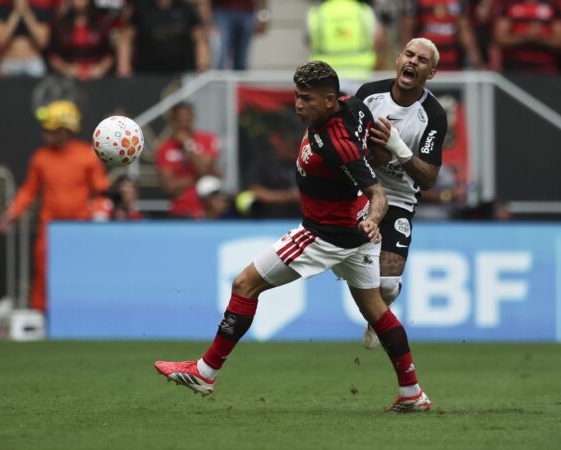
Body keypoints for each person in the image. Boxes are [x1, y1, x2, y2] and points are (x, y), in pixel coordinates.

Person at [154, 60, 432, 413]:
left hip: (323, 235)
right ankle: (412, 393)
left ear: (330, 100)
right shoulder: (354, 106)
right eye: (297, 96)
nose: (299, 105)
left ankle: (205, 372)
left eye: (307, 99)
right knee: (377, 312)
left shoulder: (337, 145)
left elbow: (379, 194)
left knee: (244, 285)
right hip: (354, 233)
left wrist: (375, 219)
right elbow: (373, 145)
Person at [353, 39, 447, 399]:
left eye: (422, 60)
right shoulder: (369, 95)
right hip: (361, 192)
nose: (413, 62)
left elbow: (428, 178)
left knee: (388, 286)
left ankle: (379, 315)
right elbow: (347, 138)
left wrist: (397, 146)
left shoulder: (433, 115)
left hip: (400, 201)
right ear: (398, 60)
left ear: (430, 72)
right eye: (409, 55)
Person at [0, 100, 109, 313]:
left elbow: (101, 190)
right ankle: (40, 315)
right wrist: (13, 212)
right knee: (44, 271)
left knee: (82, 271)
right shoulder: (40, 157)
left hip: (81, 227)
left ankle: (81, 314)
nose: (45, 134)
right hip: (50, 227)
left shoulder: (87, 155)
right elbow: (28, 190)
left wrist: (100, 213)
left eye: (50, 129)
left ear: (64, 130)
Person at [155, 101, 221, 219]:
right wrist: (198, 177)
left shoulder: (208, 140)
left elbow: (202, 169)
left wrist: (188, 145)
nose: (184, 122)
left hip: (207, 210)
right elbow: (169, 186)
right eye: (180, 118)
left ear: (193, 118)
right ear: (173, 121)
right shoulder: (164, 148)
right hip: (180, 211)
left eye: (187, 117)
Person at [116, 0, 209, 77]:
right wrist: (124, 68)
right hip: (147, 75)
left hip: (182, 74)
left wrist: (202, 67)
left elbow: (200, 39)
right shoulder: (142, 8)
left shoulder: (186, 8)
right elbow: (126, 39)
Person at [305, 0, 385, 82]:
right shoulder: (364, 10)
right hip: (360, 75)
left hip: (325, 77)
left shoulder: (317, 12)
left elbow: (308, 39)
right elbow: (378, 39)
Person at [401, 0, 485, 70]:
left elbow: (465, 32)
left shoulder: (458, 2)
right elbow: (408, 31)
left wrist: (478, 63)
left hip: (452, 65)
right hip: (425, 66)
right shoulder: (417, 2)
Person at [492, 0, 561, 74]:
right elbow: (499, 38)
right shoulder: (509, 4)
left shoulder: (553, 5)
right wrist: (525, 37)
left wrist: (540, 38)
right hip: (513, 68)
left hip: (547, 69)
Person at [48, 0, 115, 81]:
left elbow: (110, 53)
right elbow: (53, 55)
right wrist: (66, 69)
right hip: (68, 79)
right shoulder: (61, 24)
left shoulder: (102, 23)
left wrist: (101, 69)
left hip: (97, 77)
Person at [0, 0, 53, 77]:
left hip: (33, 63)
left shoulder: (38, 11)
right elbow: (0, 40)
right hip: (10, 64)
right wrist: (16, 13)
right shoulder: (1, 11)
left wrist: (26, 13)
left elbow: (43, 42)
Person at [210, 0, 268, 71]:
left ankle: (240, 81)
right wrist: (207, 19)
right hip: (222, 11)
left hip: (247, 12)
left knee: (241, 60)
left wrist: (263, 15)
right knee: (220, 57)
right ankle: (217, 81)